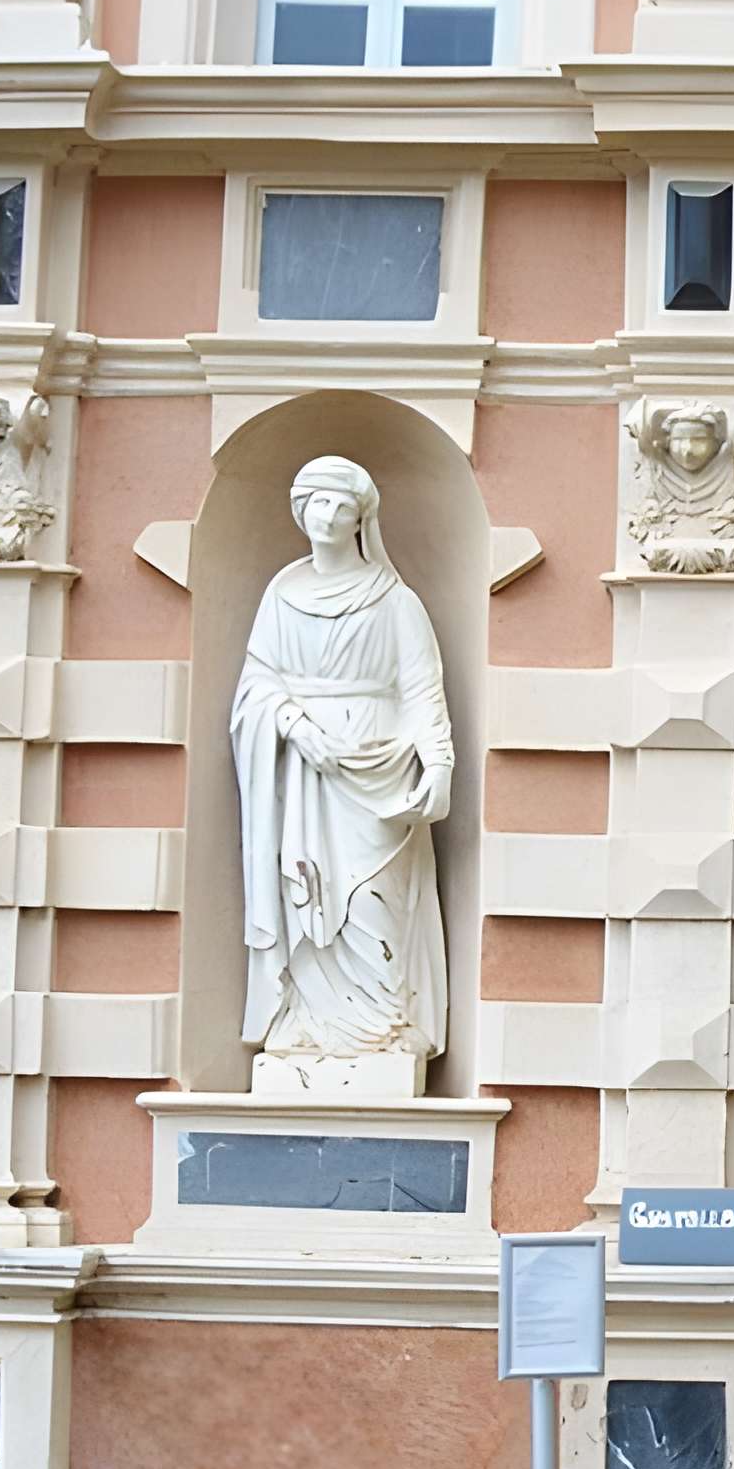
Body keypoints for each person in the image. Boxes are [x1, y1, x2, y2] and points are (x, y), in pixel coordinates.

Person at [231, 456, 454, 1085]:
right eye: (316, 503)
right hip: (306, 773)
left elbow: (421, 690)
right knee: (308, 895)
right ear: (299, 512)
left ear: (362, 517)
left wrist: (437, 764)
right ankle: (307, 1026)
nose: (328, 516)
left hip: (379, 770)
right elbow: (257, 685)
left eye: (341, 505)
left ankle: (382, 1025)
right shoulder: (281, 594)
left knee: (372, 901)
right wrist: (300, 730)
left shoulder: (394, 600)